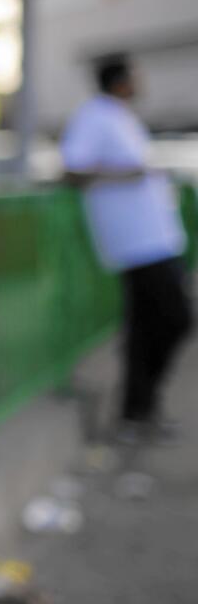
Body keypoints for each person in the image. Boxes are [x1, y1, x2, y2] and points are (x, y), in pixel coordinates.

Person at [61, 53, 192, 443]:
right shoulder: (93, 117)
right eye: (135, 75)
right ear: (120, 80)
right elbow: (71, 172)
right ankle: (139, 408)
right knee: (176, 319)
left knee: (146, 328)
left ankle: (139, 412)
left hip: (156, 237)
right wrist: (127, 175)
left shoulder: (121, 116)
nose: (141, 81)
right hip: (136, 242)